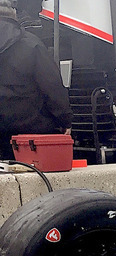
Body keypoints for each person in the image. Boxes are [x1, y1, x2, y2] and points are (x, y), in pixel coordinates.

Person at [0, 0, 72, 161]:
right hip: (31, 135)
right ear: (14, 15)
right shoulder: (31, 44)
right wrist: (65, 120)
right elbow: (52, 86)